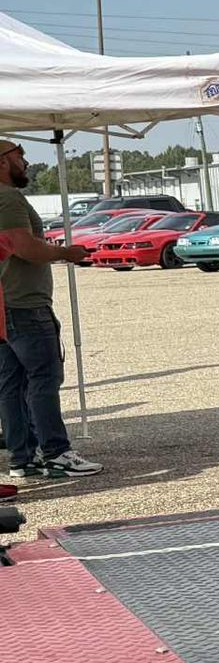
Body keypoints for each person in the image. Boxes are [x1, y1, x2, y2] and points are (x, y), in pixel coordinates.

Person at [0, 139, 102, 479]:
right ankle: (56, 451)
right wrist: (64, 254)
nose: (26, 162)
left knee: (11, 385)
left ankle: (21, 458)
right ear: (2, 162)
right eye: (19, 156)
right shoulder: (9, 197)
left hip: (6, 304)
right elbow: (23, 246)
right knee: (44, 378)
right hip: (25, 304)